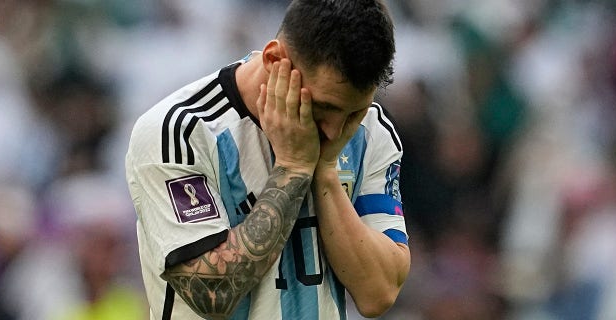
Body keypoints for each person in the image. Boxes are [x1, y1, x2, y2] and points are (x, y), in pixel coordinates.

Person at [125, 0, 410, 319]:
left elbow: (379, 293)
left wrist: (325, 171)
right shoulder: (181, 132)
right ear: (275, 60)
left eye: (353, 110)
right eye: (323, 107)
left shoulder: (371, 130)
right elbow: (210, 294)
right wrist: (292, 167)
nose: (334, 131)